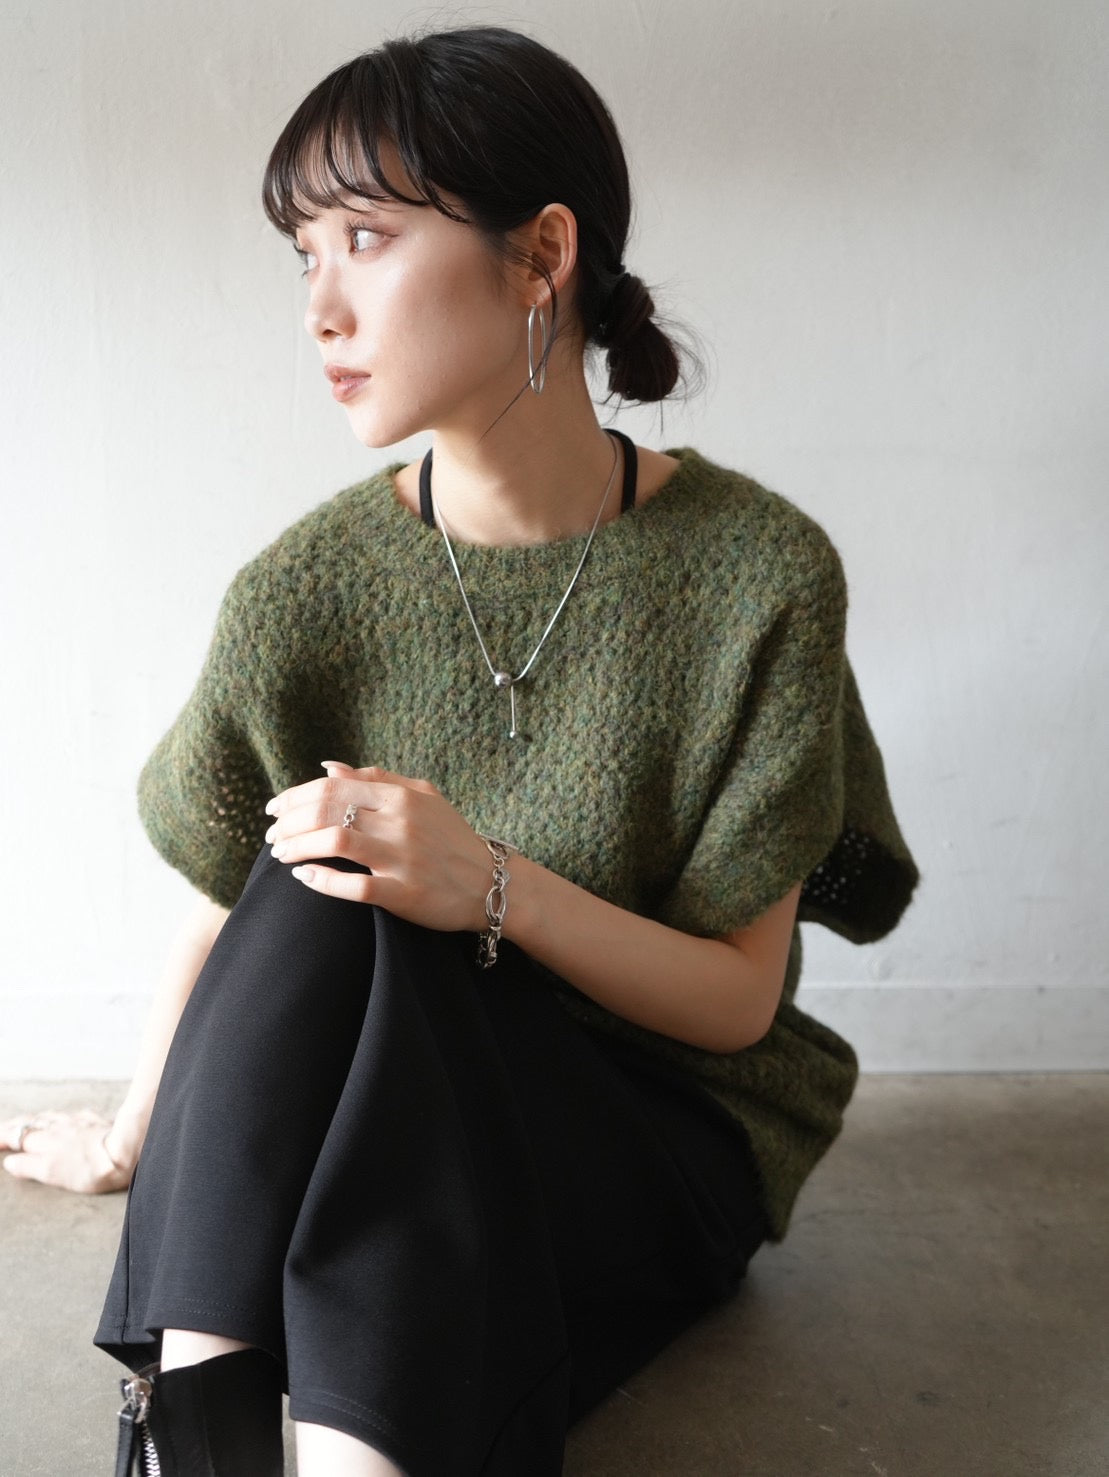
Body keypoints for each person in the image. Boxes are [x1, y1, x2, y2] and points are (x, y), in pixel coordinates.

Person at [0, 23, 920, 1477]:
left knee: (377, 1026)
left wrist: (488, 884)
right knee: (320, 878)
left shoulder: (759, 574)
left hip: (653, 1126)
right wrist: (132, 1136)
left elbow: (738, 1003)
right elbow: (233, 913)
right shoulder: (303, 590)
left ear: (540, 254)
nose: (321, 307)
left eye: (366, 238)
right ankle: (206, 1430)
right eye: (303, 254)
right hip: (400, 1135)